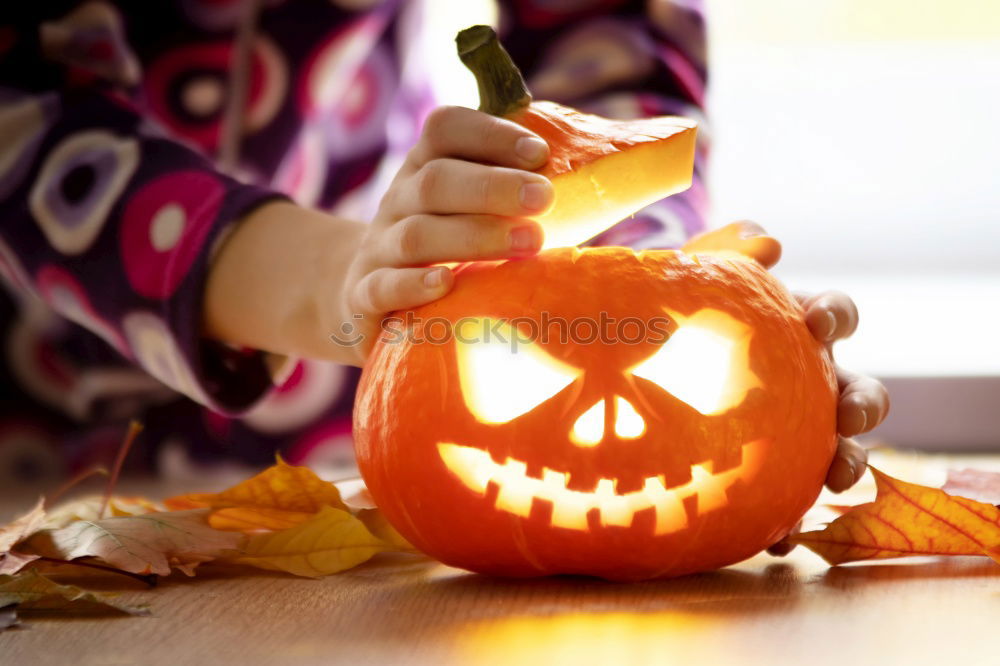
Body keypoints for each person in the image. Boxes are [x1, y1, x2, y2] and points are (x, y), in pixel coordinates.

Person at [0, 0, 887, 552]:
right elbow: (25, 119)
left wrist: (664, 294)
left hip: (361, 420)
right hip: (30, 431)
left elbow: (612, 41)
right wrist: (338, 281)